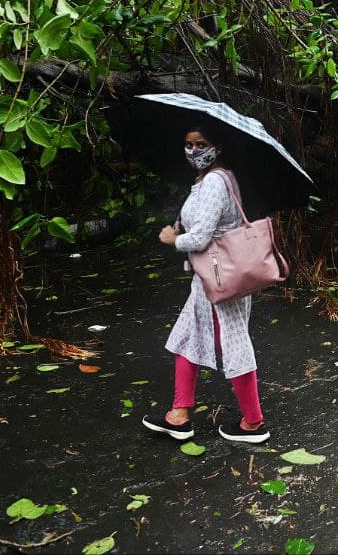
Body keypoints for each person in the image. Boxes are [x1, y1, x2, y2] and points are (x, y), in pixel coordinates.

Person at [141, 127, 271, 444]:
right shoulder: (203, 181)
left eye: (201, 144)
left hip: (220, 278)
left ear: (218, 147)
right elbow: (203, 225)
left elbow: (200, 238)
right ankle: (179, 415)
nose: (194, 150)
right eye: (188, 144)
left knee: (234, 342)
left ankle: (253, 423)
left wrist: (175, 239)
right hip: (207, 277)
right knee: (188, 338)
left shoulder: (215, 181)